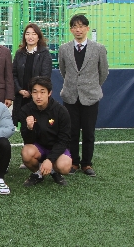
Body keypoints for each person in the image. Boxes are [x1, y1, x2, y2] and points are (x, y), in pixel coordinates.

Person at [58, 14, 109, 177]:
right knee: (71, 131)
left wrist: (92, 86)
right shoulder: (64, 49)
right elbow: (63, 70)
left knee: (88, 132)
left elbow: (103, 72)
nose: (78, 29)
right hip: (70, 96)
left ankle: (87, 163)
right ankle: (74, 162)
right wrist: (74, 85)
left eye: (81, 26)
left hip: (90, 96)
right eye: (75, 26)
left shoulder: (99, 49)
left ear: (87, 28)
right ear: (71, 30)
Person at [20, 76, 72, 186]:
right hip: (39, 149)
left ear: (49, 93)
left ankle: (54, 171)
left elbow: (64, 140)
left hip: (57, 148)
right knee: (26, 152)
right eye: (35, 92)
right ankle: (38, 173)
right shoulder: (26, 110)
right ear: (31, 93)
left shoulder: (61, 111)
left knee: (65, 166)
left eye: (42, 92)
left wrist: (50, 160)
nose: (38, 96)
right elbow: (27, 141)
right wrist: (29, 128)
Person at [12, 23, 53, 128]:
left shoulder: (45, 54)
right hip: (21, 97)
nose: (30, 36)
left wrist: (32, 92)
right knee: (24, 126)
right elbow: (13, 74)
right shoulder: (19, 53)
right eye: (27, 34)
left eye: (34, 34)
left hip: (37, 97)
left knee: (39, 126)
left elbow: (45, 77)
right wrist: (19, 90)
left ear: (38, 37)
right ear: (24, 37)